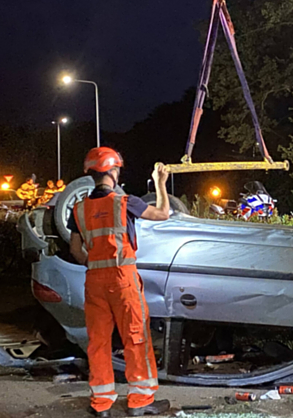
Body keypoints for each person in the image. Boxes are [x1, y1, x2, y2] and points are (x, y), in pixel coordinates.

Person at [69, 147, 171, 418]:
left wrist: (93, 263)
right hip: (122, 278)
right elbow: (162, 214)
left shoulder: (79, 209)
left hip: (94, 280)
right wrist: (160, 184)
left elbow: (76, 250)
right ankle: (140, 401)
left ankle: (101, 404)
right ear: (112, 171)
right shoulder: (125, 201)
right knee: (135, 337)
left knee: (99, 341)